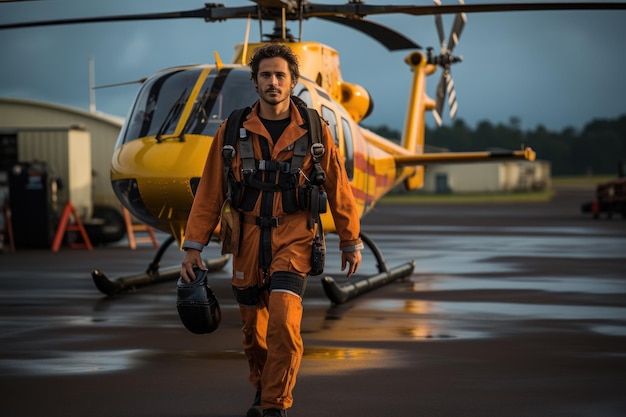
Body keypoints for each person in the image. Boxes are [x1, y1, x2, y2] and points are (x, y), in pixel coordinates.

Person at [180, 43, 363, 417]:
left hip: (294, 237)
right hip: (246, 238)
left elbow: (338, 187)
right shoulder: (232, 130)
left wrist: (350, 240)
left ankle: (275, 404)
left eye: (281, 75)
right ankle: (263, 389)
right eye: (266, 75)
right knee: (253, 333)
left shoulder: (314, 129)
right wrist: (193, 247)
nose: (273, 82)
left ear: (293, 81)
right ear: (255, 81)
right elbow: (210, 192)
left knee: (283, 318)